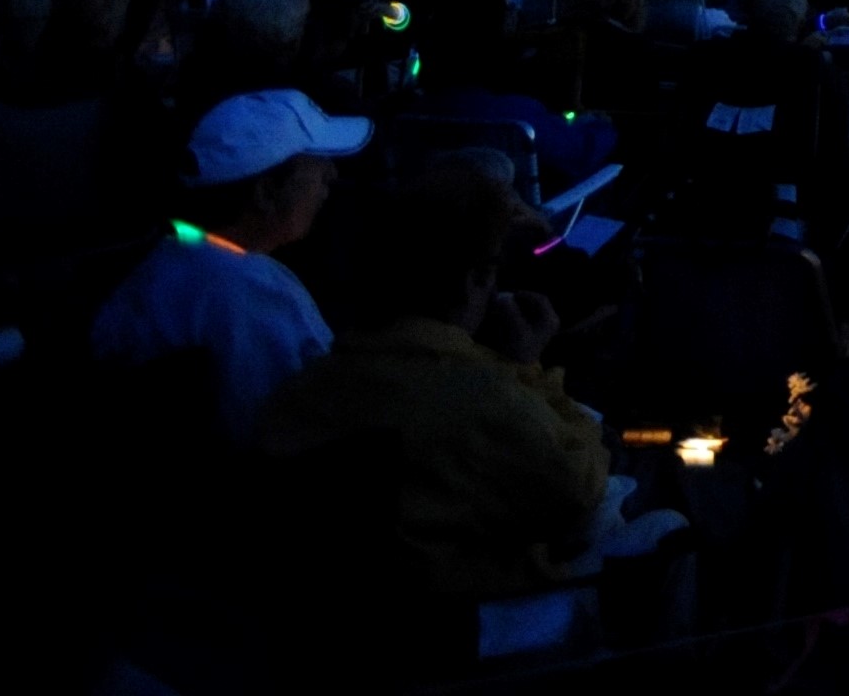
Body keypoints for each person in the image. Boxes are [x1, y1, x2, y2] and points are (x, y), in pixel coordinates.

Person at [257, 167, 609, 603]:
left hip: (335, 613)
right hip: (457, 626)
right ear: (475, 280)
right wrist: (529, 367)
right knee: (659, 528)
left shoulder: (313, 383)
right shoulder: (480, 396)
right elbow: (581, 488)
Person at [90, 87, 366, 438]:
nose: (332, 176)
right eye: (316, 164)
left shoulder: (160, 262)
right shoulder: (256, 291)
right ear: (266, 192)